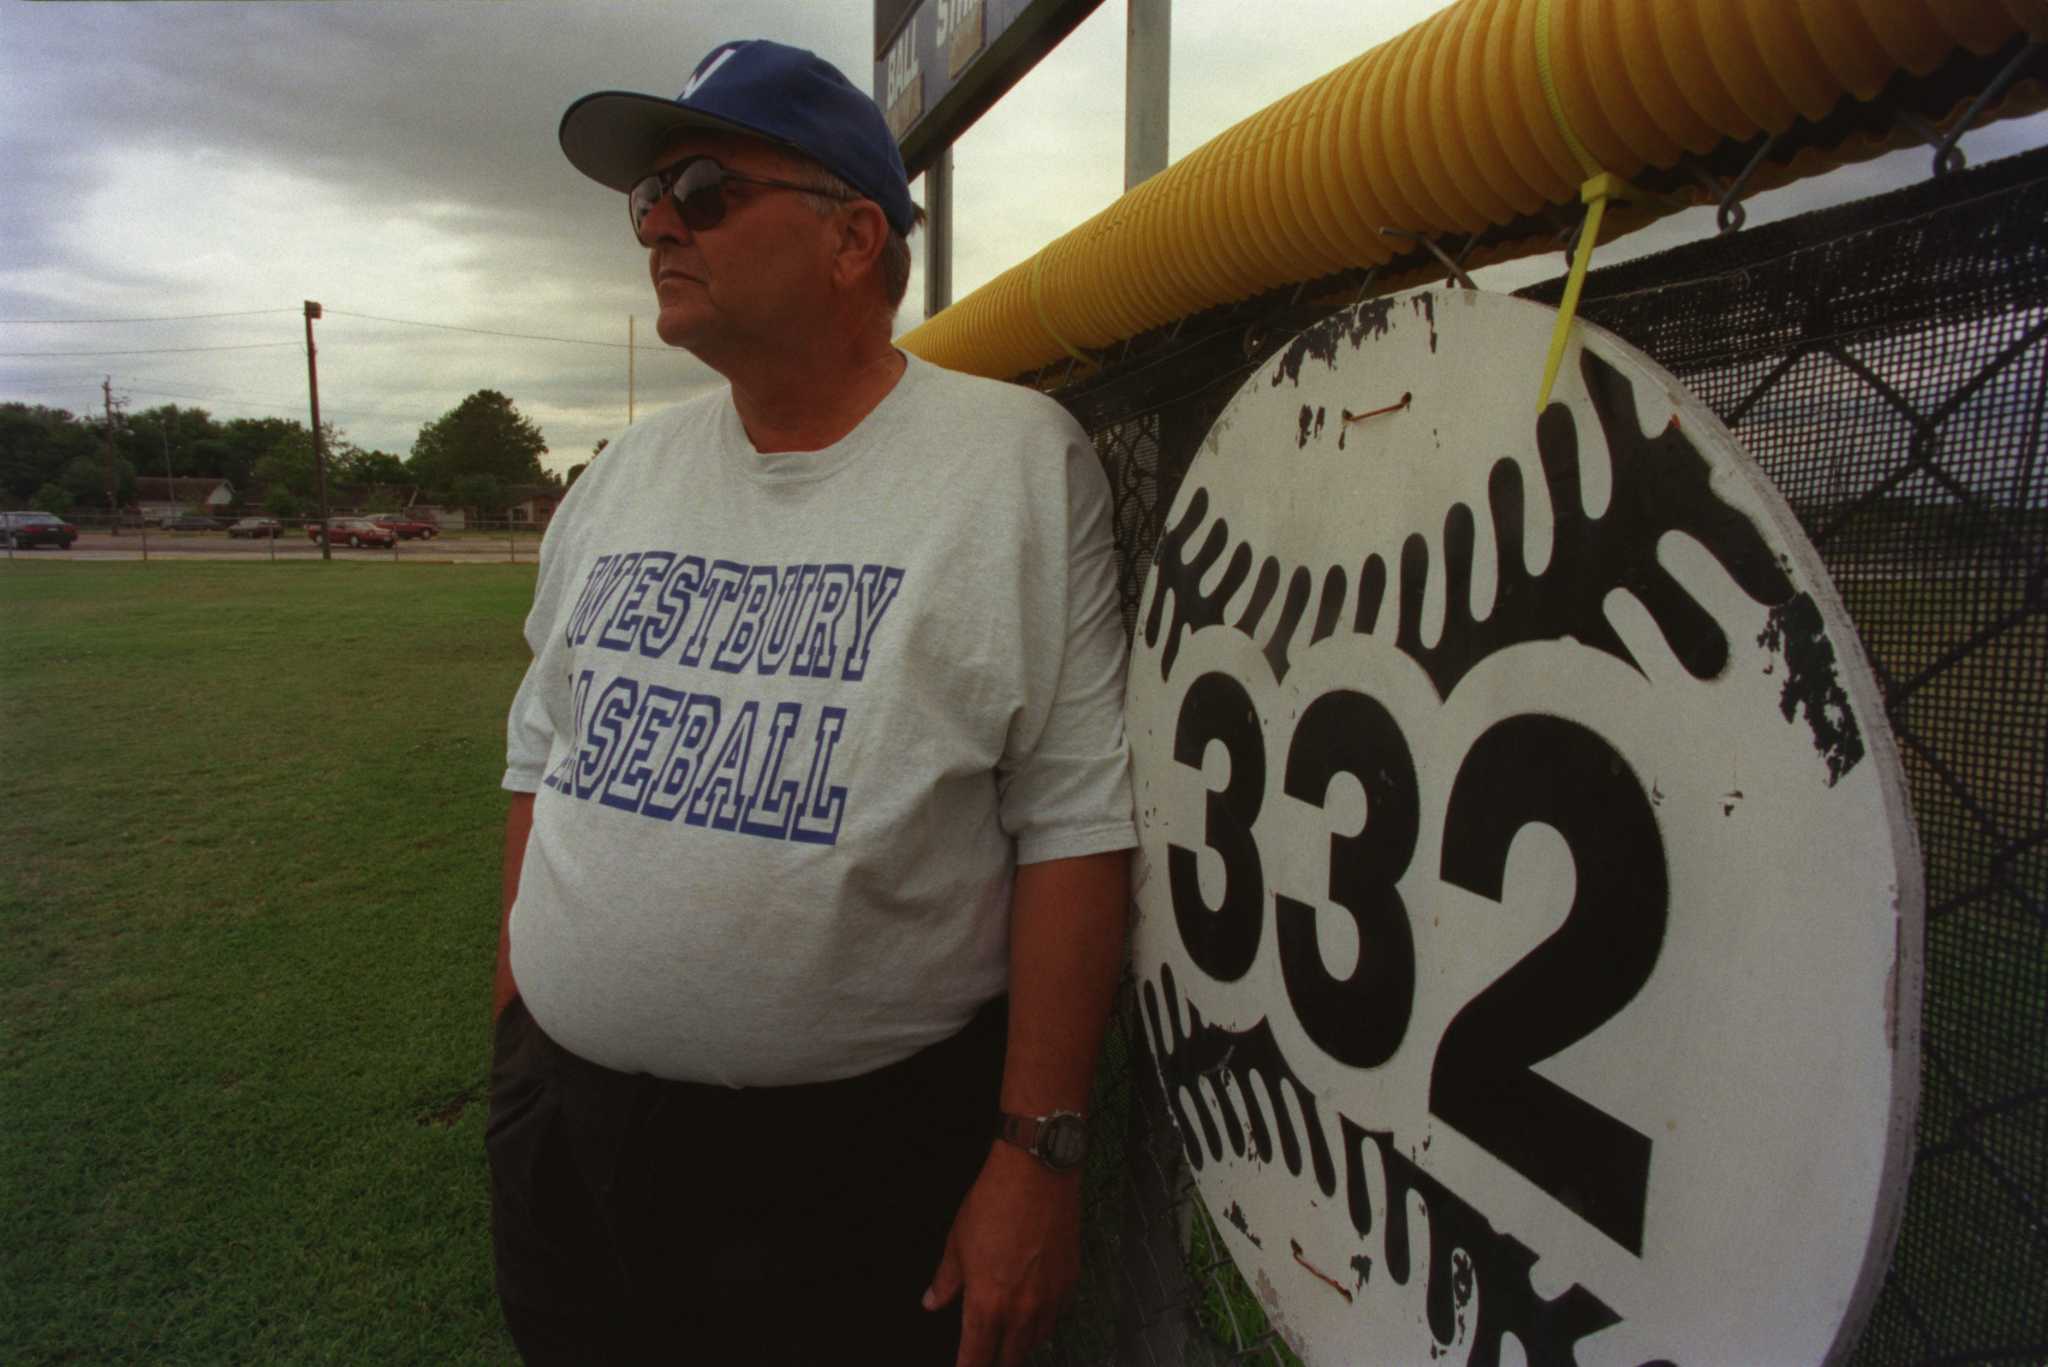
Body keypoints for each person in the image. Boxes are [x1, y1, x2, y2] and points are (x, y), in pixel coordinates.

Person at [488, 38, 1136, 1367]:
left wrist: (1039, 1154)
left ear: (853, 242)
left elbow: (1072, 820)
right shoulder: (620, 481)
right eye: (647, 199)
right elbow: (538, 756)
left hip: (853, 1168)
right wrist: (516, 1038)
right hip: (569, 1131)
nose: (659, 222)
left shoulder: (1012, 464)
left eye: (707, 188)